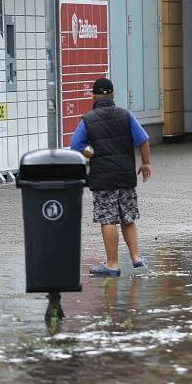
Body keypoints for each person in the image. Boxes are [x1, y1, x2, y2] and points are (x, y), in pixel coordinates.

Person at [70, 78, 152, 276]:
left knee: (108, 220)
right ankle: (136, 257)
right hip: (125, 175)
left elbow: (75, 146)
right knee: (128, 218)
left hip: (103, 178)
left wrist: (89, 151)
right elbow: (143, 139)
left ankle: (113, 264)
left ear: (93, 96)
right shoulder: (126, 115)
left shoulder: (88, 119)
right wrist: (146, 163)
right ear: (113, 94)